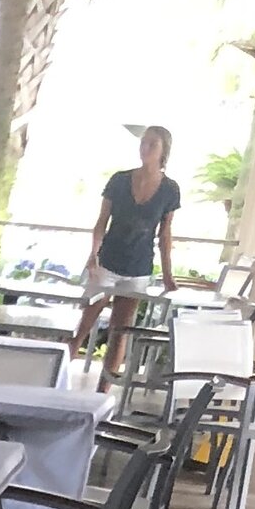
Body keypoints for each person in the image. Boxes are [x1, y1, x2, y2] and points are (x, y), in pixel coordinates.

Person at [74, 124, 179, 371]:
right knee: (85, 323)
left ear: (163, 150)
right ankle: (56, 378)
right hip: (108, 260)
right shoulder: (120, 180)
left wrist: (167, 275)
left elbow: (165, 234)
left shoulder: (169, 189)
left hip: (139, 266)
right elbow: (102, 221)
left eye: (152, 144)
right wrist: (93, 254)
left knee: (120, 330)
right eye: (144, 142)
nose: (145, 148)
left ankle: (104, 393)